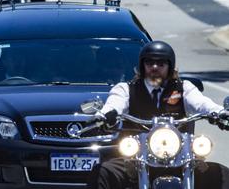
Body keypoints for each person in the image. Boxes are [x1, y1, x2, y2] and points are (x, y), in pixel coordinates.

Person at [87, 41, 229, 189]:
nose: (154, 67)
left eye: (161, 64)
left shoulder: (184, 88)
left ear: (170, 66)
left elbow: (202, 103)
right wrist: (106, 115)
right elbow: (114, 104)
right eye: (149, 63)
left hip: (181, 157)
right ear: (142, 66)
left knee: (221, 174)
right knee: (104, 171)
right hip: (135, 159)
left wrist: (219, 113)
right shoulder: (126, 89)